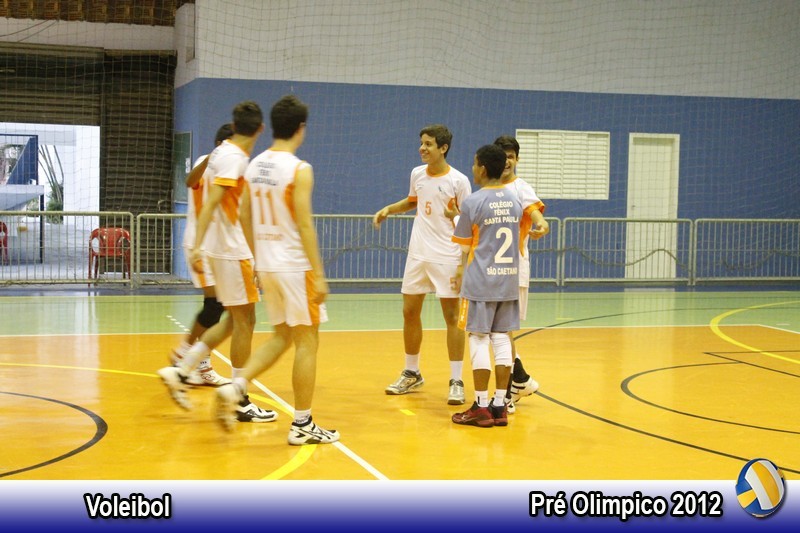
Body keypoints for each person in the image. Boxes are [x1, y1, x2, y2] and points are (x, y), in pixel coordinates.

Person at [215, 94, 339, 445]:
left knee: (282, 336)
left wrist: (256, 259)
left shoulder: (254, 165)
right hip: (295, 266)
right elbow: (304, 224)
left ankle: (235, 387)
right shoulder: (299, 169)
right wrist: (319, 274)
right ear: (301, 128)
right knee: (307, 342)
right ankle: (302, 423)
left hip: (268, 264)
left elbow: (243, 215)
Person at [158, 101, 276, 424]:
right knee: (245, 321)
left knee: (232, 317)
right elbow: (215, 204)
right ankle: (239, 399)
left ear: (234, 125)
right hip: (231, 250)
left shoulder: (218, 154)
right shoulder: (235, 159)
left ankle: (183, 368)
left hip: (219, 249)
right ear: (260, 129)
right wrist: (199, 245)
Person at [373, 124, 472, 404]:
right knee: (409, 312)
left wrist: (463, 263)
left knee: (452, 317)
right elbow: (413, 201)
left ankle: (456, 380)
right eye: (421, 143)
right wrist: (389, 209)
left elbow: (468, 220)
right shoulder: (417, 173)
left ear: (443, 148)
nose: (422, 148)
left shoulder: (459, 181)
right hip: (417, 255)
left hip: (447, 255)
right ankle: (412, 372)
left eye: (428, 144)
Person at [451, 144, 522, 427]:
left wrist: (455, 218)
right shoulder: (514, 200)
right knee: (502, 339)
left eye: (474, 163)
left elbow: (465, 245)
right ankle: (499, 404)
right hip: (508, 280)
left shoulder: (473, 202)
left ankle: (480, 405)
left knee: (478, 338)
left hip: (481, 281)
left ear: (482, 168)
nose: (472, 168)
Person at [167, 123, 234, 387]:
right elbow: (190, 181)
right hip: (200, 244)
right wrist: (211, 157)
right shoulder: (205, 162)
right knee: (215, 304)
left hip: (218, 246)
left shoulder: (232, 168)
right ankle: (183, 356)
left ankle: (200, 365)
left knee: (220, 305)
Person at [493, 135, 549, 412]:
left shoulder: (521, 187)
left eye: (511, 156)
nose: (507, 161)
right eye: (502, 156)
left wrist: (541, 224)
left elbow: (534, 211)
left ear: (517, 159)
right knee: (497, 331)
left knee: (503, 331)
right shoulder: (489, 187)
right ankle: (520, 380)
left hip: (514, 269)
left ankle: (507, 393)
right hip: (491, 270)